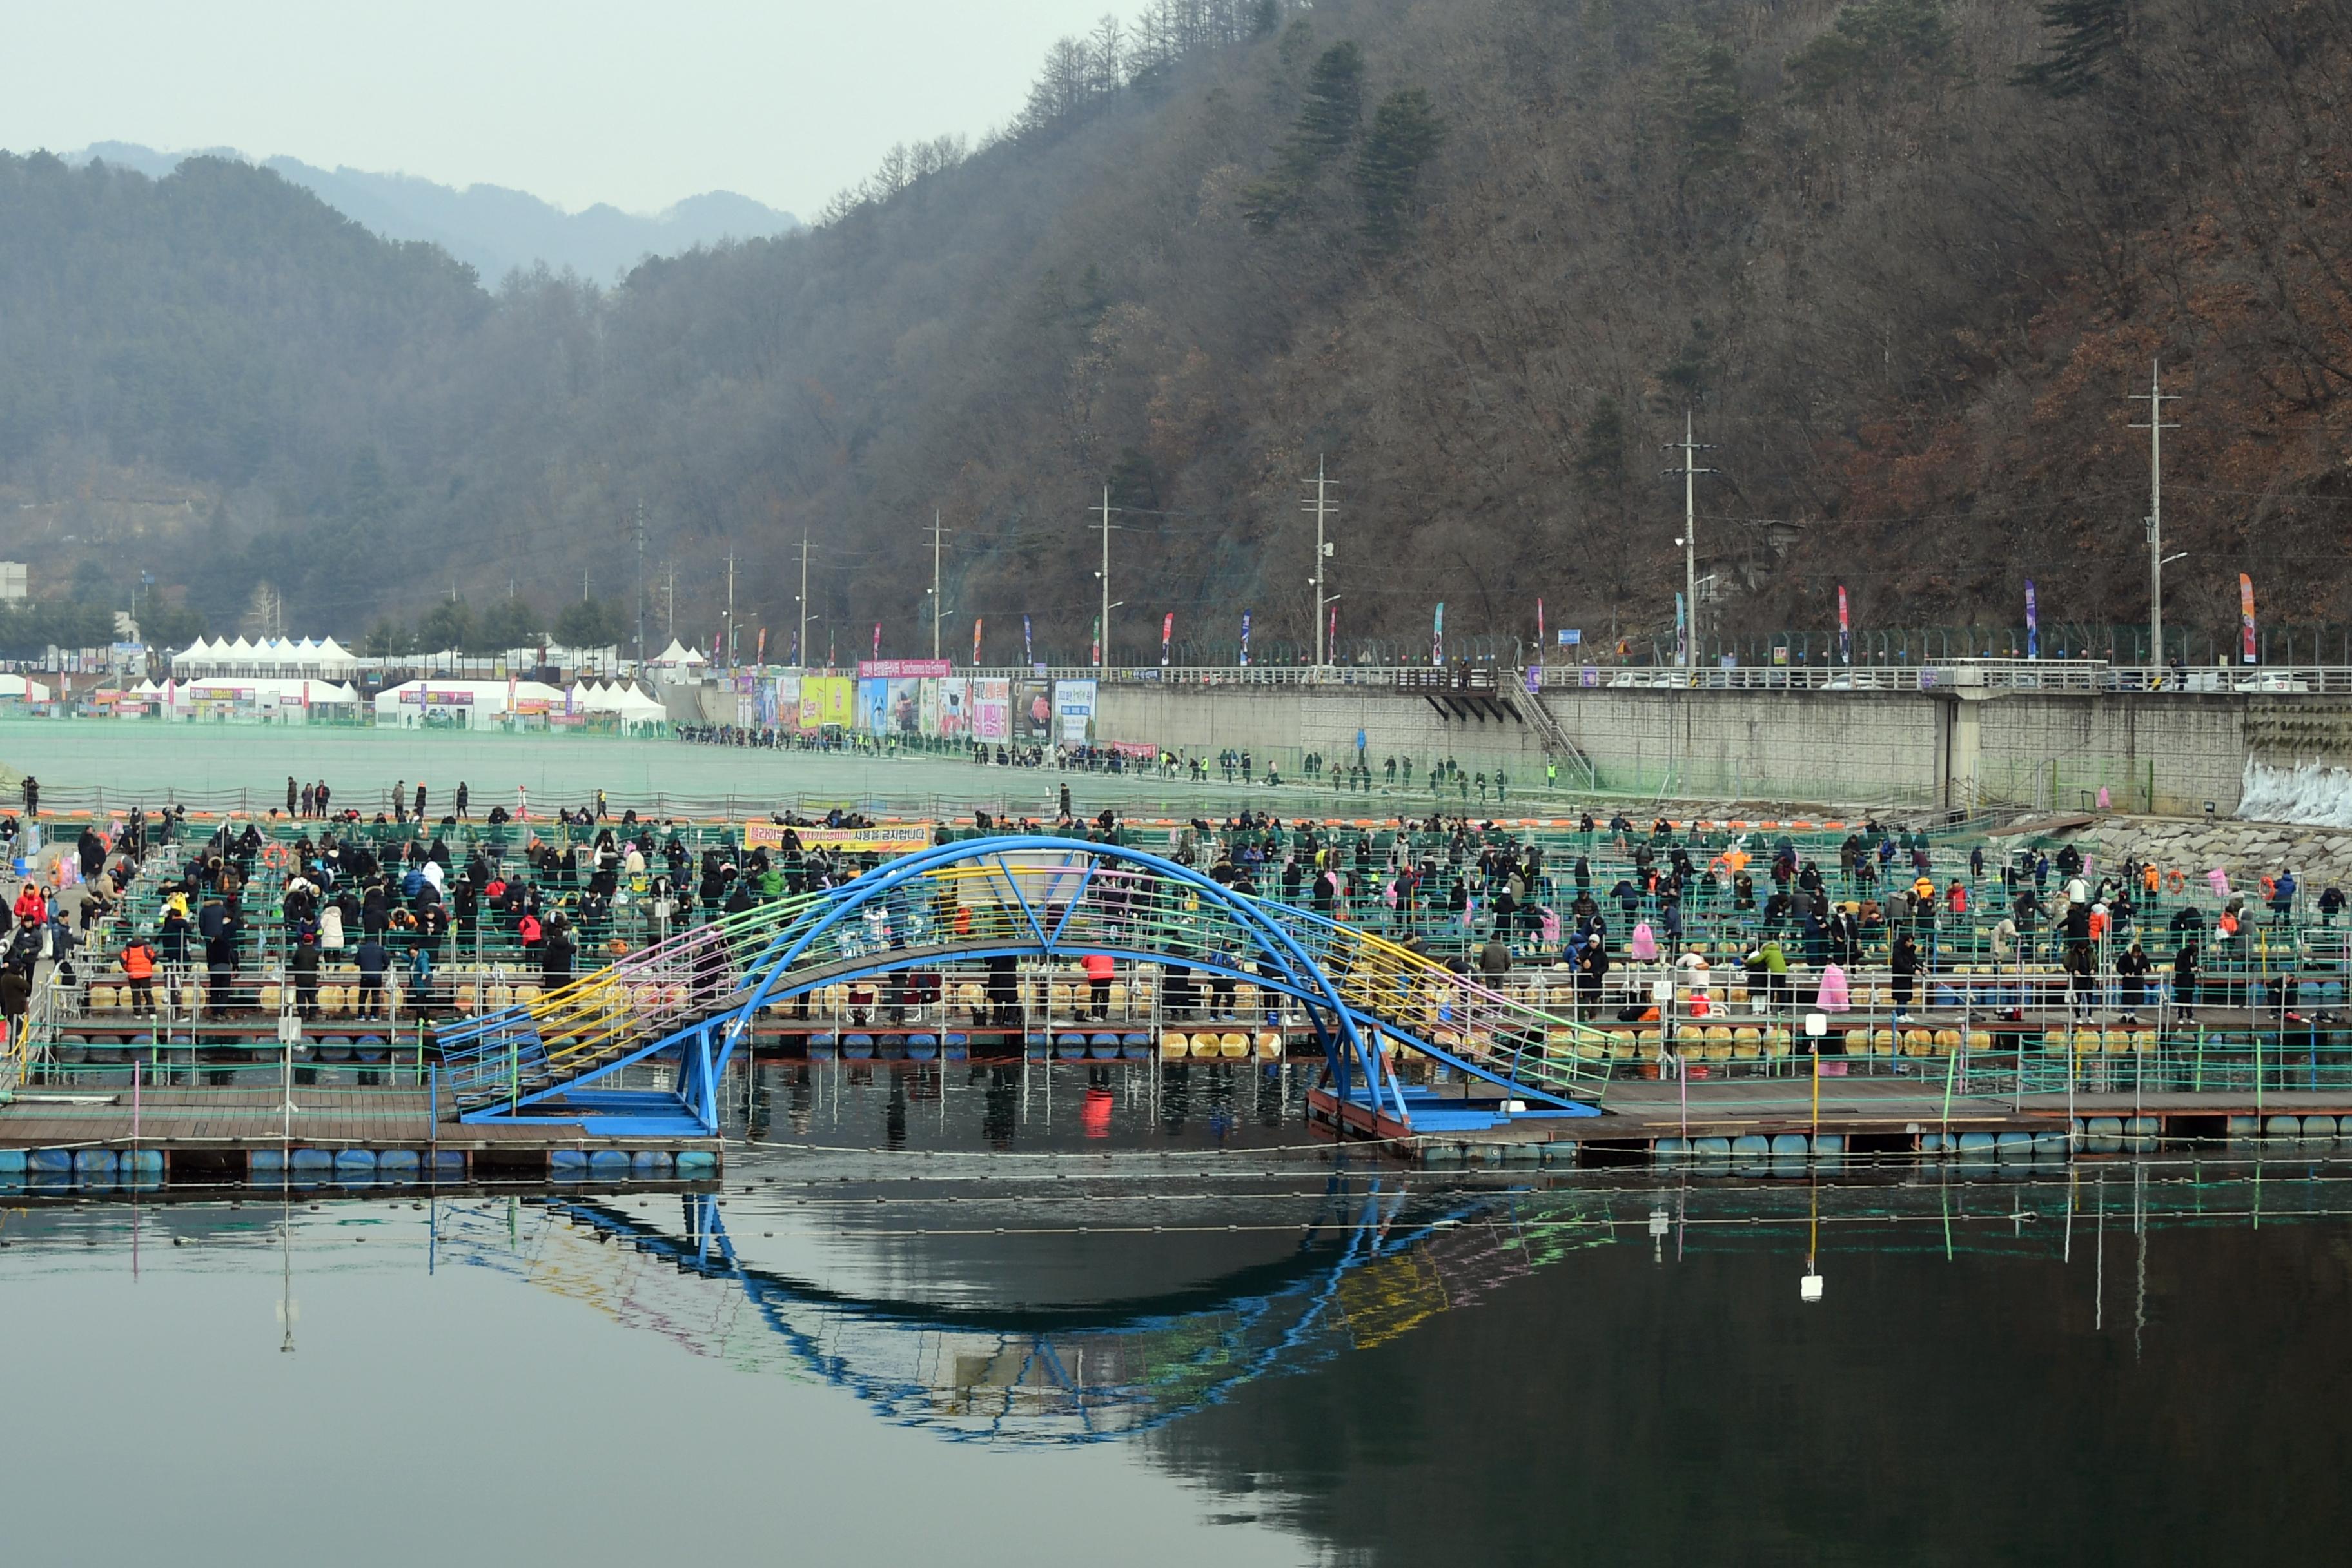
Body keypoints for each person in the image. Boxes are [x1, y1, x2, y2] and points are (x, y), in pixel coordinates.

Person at [119, 931, 158, 1015]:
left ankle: (138, 1014)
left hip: (133, 974)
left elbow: (122, 960)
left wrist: (128, 969)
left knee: (135, 994)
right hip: (145, 974)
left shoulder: (128, 948)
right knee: (147, 993)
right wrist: (149, 965)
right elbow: (154, 958)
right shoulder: (147, 947)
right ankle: (152, 1013)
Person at [2115, 937, 2150, 1024]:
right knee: (2127, 998)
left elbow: (2148, 966)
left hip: (2138, 981)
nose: (2137, 954)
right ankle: (2125, 1014)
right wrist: (2125, 973)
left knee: (2136, 999)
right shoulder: (2125, 957)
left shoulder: (2143, 957)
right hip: (2128, 981)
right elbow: (2119, 967)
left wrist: (2145, 969)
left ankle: (2132, 1015)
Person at [355, 932, 389, 1019]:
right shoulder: (380, 949)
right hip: (377, 976)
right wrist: (382, 969)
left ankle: (361, 1015)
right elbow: (387, 962)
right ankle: (373, 1015)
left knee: (363, 996)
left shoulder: (362, 949)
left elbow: (356, 961)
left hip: (365, 976)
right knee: (375, 996)